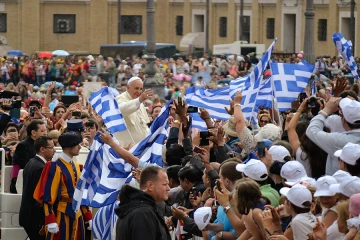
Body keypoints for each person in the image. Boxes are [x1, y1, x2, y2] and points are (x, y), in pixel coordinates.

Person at [33, 132, 92, 240]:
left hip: (77, 215)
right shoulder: (54, 166)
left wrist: (87, 215)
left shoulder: (77, 167)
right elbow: (47, 196)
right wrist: (50, 219)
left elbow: (80, 194)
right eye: (77, 144)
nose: (80, 147)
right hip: (62, 214)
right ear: (69, 146)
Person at [114, 165, 171, 240]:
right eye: (165, 184)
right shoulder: (143, 213)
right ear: (150, 185)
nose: (168, 188)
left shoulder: (136, 209)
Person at [19, 136, 55, 240]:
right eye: (51, 147)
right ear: (42, 149)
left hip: (28, 216)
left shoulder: (31, 162)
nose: (54, 150)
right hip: (34, 219)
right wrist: (43, 222)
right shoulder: (40, 168)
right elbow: (39, 197)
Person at [11, 119, 47, 193]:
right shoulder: (23, 145)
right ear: (34, 133)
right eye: (42, 131)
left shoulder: (43, 146)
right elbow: (27, 165)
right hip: (22, 182)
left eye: (46, 131)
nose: (45, 133)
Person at [114, 76, 153, 146]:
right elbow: (122, 110)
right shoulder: (120, 98)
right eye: (136, 88)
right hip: (125, 147)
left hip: (140, 146)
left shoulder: (139, 101)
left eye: (141, 89)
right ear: (128, 88)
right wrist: (139, 100)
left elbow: (143, 124)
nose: (139, 91)